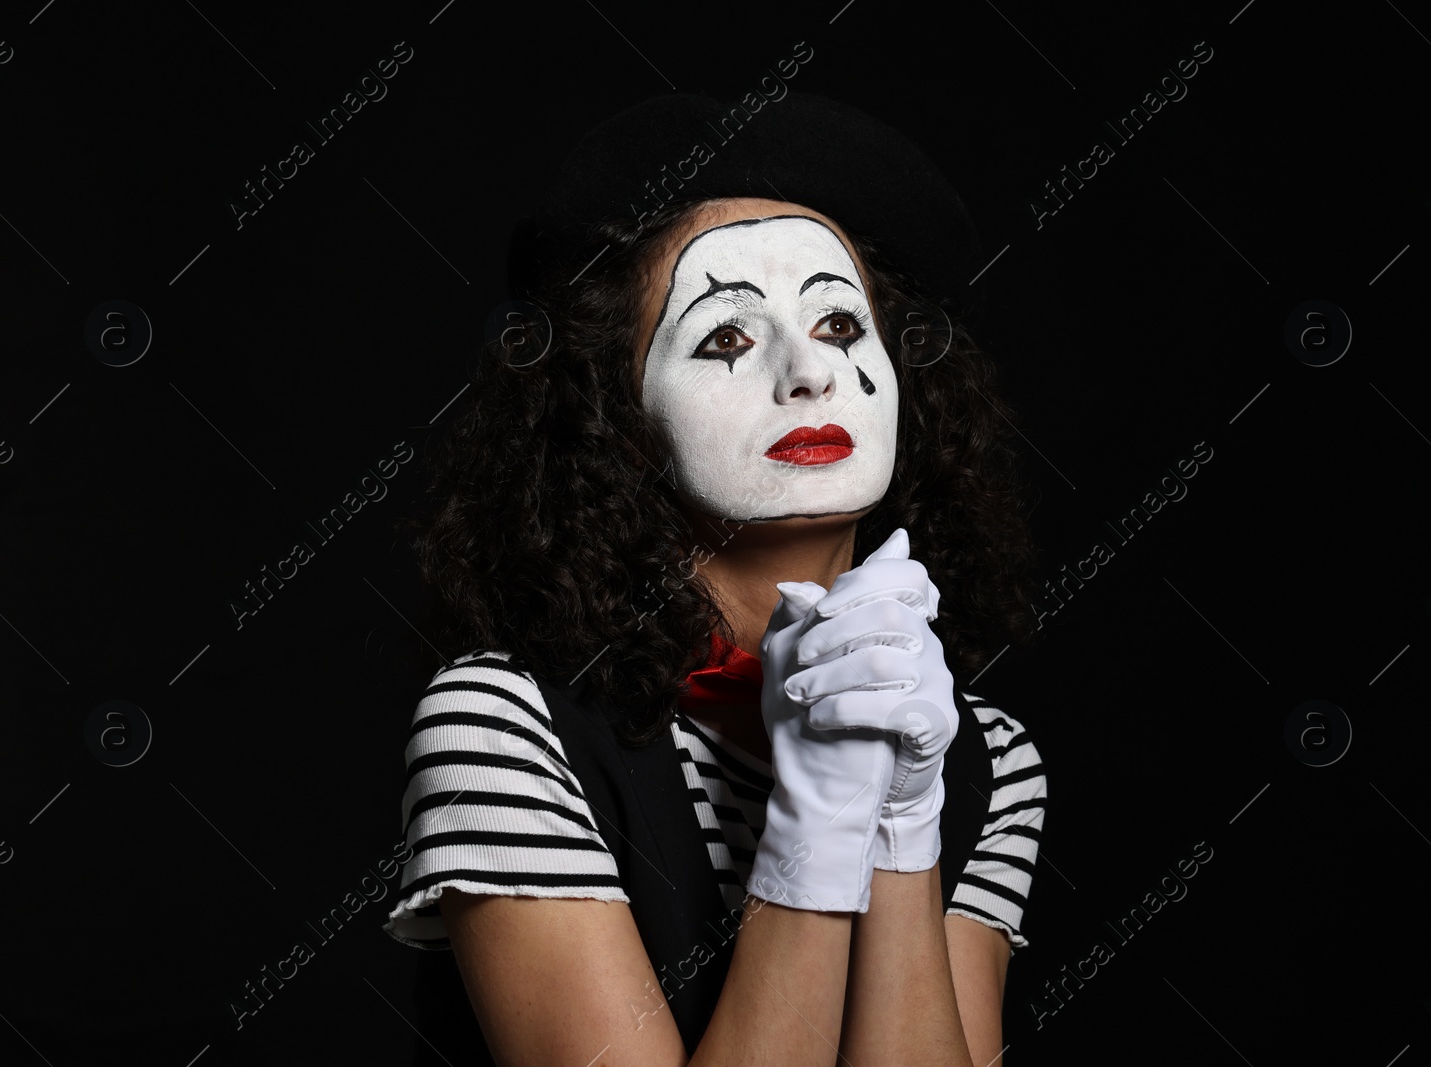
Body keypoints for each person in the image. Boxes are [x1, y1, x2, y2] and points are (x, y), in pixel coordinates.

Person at [384, 92, 1047, 1066]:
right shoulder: (503, 723)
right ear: (620, 415)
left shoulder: (987, 760)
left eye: (837, 323)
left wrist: (902, 827)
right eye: (725, 338)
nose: (807, 374)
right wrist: (817, 825)